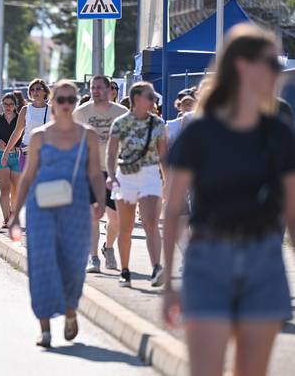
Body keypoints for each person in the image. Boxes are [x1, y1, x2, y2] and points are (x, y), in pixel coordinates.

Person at [163, 24, 295, 376]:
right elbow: (173, 209)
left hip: (264, 259)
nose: (277, 73)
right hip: (208, 260)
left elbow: (293, 213)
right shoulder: (199, 132)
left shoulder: (279, 133)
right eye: (271, 64)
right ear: (241, 66)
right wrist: (169, 286)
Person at [8, 79, 106, 347]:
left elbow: (96, 173)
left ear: (76, 104)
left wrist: (99, 201)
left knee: (74, 265)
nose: (64, 105)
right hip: (42, 208)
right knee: (42, 265)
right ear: (52, 102)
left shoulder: (88, 135)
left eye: (70, 100)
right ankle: (45, 328)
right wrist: (16, 215)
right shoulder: (39, 135)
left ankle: (71, 310)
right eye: (60, 100)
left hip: (75, 208)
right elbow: (27, 177)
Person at [106, 81, 167, 288]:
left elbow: (163, 156)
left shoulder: (158, 124)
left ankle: (157, 267)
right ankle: (125, 270)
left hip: (150, 174)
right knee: (126, 227)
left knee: (151, 222)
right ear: (137, 99)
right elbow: (112, 152)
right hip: (126, 175)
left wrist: (166, 183)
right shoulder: (120, 123)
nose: (153, 101)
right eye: (150, 97)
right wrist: (111, 175)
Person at [73, 75, 127, 273]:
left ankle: (108, 247)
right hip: (91, 170)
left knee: (116, 220)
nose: (95, 91)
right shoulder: (81, 113)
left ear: (109, 89)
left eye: (99, 87)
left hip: (116, 171)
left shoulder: (122, 112)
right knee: (93, 216)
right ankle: (93, 257)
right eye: (92, 87)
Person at [2, 78, 52, 171]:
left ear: (45, 91)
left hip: (45, 152)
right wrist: (6, 152)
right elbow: (17, 132)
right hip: (27, 151)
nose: (35, 91)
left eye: (38, 89)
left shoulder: (52, 110)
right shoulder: (26, 109)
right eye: (32, 89)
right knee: (27, 183)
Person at [0, 93, 22, 228]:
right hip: (1, 156)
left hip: (17, 156)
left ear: (15, 106)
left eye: (11, 104)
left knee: (15, 189)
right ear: (2, 105)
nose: (8, 107)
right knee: (5, 189)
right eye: (5, 104)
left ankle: (13, 214)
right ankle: (6, 219)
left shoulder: (21, 119)